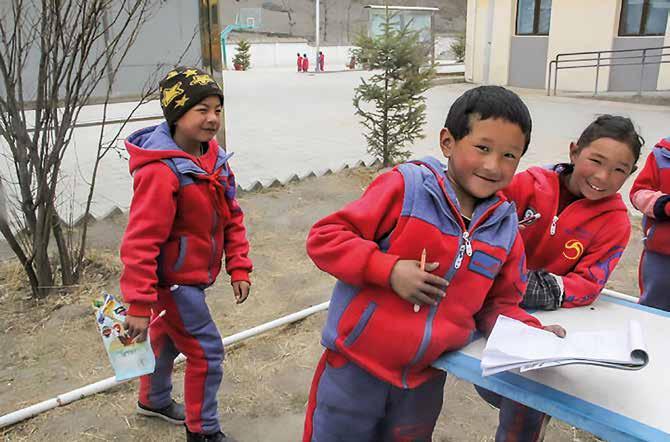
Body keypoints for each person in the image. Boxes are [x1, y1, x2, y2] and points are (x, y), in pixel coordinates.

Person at [302, 85, 565, 442]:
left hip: (423, 383)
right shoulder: (406, 188)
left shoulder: (505, 228)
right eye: (482, 148)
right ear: (448, 142)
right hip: (354, 369)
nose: (493, 165)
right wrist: (388, 270)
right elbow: (325, 238)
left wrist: (527, 330)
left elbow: (499, 303)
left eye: (509, 155)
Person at [477, 114, 643, 441]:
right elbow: (480, 226)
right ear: (573, 152)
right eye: (595, 160)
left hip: (542, 329)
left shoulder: (616, 224)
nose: (602, 176)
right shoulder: (527, 185)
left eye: (619, 170)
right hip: (484, 307)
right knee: (482, 381)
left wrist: (515, 285)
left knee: (524, 408)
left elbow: (587, 286)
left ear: (631, 174)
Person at [120, 66, 252, 442]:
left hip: (194, 277)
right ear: (176, 113)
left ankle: (154, 398)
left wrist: (239, 265)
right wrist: (139, 304)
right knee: (207, 352)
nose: (212, 118)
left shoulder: (215, 159)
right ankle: (203, 430)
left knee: (168, 340)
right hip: (173, 284)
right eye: (201, 109)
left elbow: (232, 216)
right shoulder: (161, 173)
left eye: (217, 109)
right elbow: (140, 241)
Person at [630, 135, 670, 311]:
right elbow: (637, 193)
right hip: (661, 253)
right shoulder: (661, 155)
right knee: (653, 306)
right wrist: (664, 205)